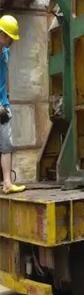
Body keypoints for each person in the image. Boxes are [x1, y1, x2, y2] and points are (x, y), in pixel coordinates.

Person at [0, 15, 25, 194]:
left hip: (3, 105)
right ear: (2, 34)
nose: (12, 42)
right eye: (10, 38)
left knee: (6, 145)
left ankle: (7, 183)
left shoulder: (5, 52)